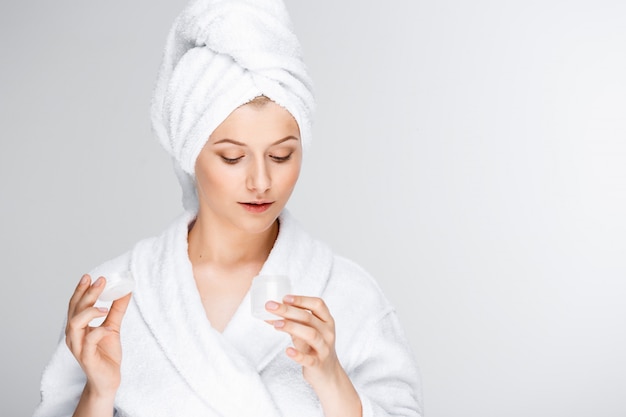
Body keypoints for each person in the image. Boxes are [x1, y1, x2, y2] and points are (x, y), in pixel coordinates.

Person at [33, 1, 422, 416]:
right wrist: (98, 393)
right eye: (233, 158)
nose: (261, 182)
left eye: (281, 156)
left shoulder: (348, 294)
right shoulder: (115, 295)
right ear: (189, 153)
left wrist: (333, 382)